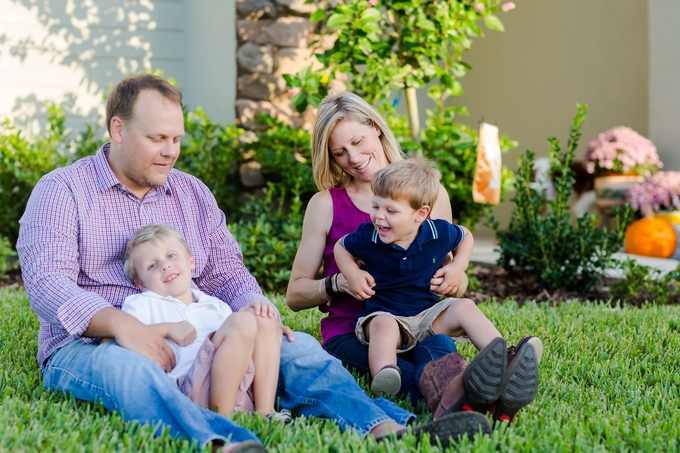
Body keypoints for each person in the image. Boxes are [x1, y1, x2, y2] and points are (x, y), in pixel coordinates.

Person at [17, 73, 491, 453]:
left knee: (300, 350)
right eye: (157, 138)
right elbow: (46, 282)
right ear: (118, 129)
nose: (171, 151)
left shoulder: (189, 191)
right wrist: (123, 325)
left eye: (177, 138)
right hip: (94, 342)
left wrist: (255, 307)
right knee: (130, 373)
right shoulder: (63, 190)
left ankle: (385, 427)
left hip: (203, 329)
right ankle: (225, 441)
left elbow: (225, 270)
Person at [286, 91, 542, 423]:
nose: (354, 157)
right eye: (340, 152)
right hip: (356, 330)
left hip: (421, 317)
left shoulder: (429, 194)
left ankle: (473, 402)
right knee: (402, 371)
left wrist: (457, 276)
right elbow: (295, 294)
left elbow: (451, 267)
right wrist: (339, 281)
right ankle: (485, 404)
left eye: (358, 141)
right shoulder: (324, 205)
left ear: (376, 128)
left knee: (435, 350)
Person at [335, 159, 541, 420]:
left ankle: (504, 359)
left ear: (420, 214)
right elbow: (341, 247)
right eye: (375, 206)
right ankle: (386, 373)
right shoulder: (368, 237)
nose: (379, 216)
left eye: (391, 210)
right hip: (388, 316)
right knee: (383, 325)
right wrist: (352, 274)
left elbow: (465, 236)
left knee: (465, 306)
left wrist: (458, 267)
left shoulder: (437, 233)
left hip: (428, 315)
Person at [121, 223, 287, 420]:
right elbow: (128, 338)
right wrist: (167, 329)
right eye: (152, 265)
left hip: (236, 386)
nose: (165, 265)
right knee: (242, 322)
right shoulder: (143, 303)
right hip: (189, 388)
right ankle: (222, 419)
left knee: (262, 319)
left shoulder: (215, 305)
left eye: (171, 255)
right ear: (140, 283)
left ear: (191, 261)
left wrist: (268, 330)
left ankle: (265, 412)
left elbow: (241, 342)